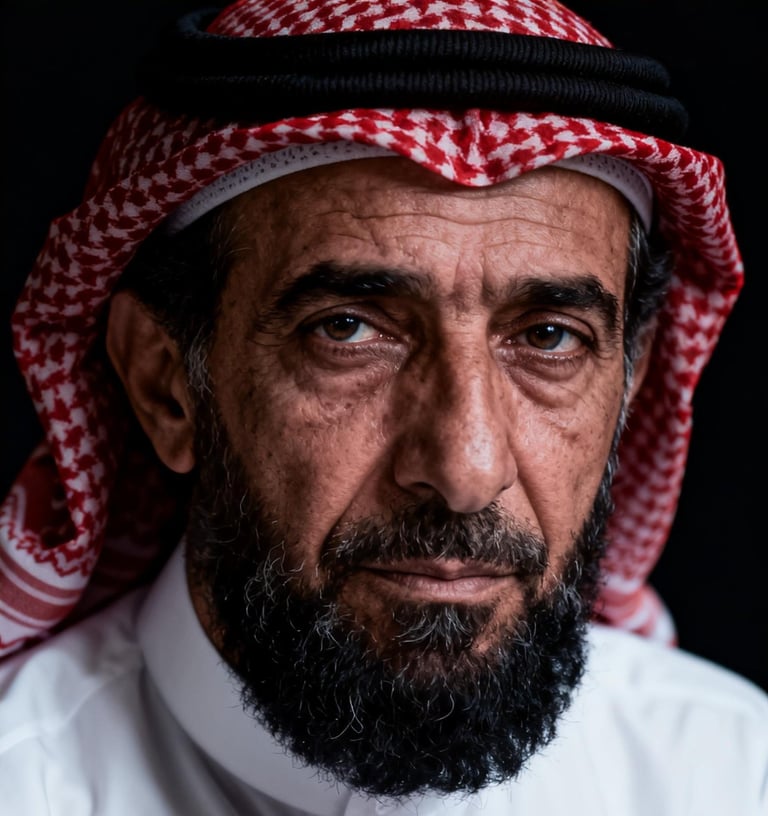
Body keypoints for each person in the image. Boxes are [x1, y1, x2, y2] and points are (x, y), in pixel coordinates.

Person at [0, 0, 766, 813]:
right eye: (349, 329)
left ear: (629, 382)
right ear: (166, 385)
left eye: (549, 338)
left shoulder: (733, 774)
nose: (466, 470)